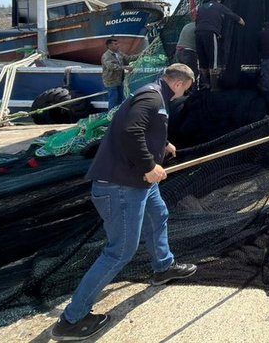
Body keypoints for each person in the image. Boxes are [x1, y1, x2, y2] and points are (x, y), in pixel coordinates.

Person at [51, 64, 197, 341]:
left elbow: (142, 127)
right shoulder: (152, 97)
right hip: (121, 187)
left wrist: (163, 144)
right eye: (185, 90)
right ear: (179, 83)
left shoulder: (153, 94)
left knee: (158, 215)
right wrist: (149, 165)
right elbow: (131, 131)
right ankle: (71, 320)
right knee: (119, 252)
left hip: (138, 184)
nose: (183, 95)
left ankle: (163, 267)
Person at [195, 0, 245, 91]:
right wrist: (241, 21)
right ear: (219, 0)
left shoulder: (201, 7)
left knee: (202, 60)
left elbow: (197, 21)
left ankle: (205, 84)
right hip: (210, 33)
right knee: (213, 60)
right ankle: (214, 87)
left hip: (198, 33)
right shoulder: (219, 6)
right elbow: (231, 14)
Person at [101, 38, 139, 110]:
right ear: (109, 46)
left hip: (120, 80)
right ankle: (111, 114)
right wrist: (125, 67)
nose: (118, 45)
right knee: (113, 99)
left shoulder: (119, 53)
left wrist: (141, 54)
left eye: (117, 44)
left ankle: (117, 113)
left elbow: (128, 59)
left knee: (120, 98)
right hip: (111, 81)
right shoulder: (106, 56)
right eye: (115, 44)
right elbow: (111, 66)